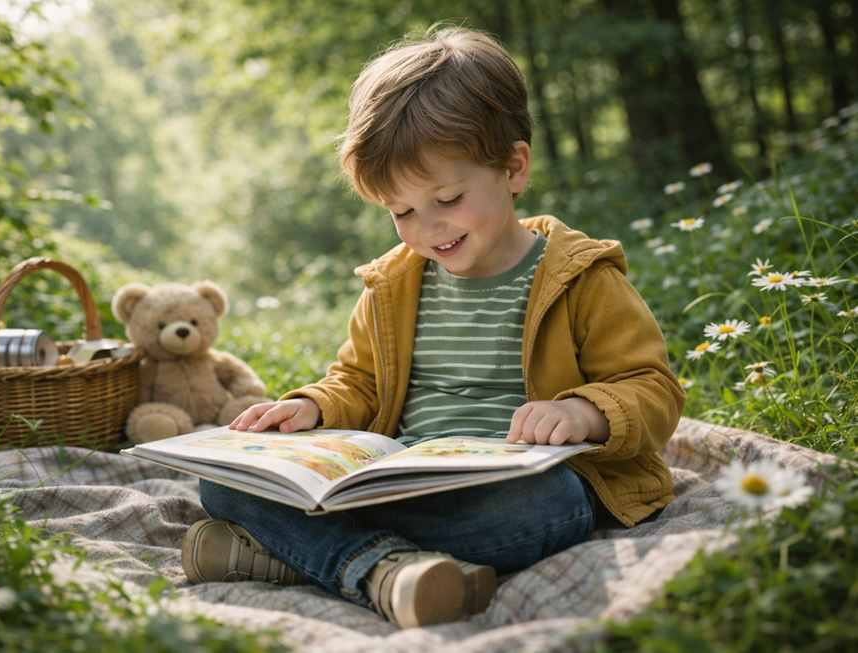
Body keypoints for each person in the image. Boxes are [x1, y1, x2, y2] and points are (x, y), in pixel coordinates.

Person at [179, 25, 686, 629]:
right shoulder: (394, 285)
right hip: (399, 481)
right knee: (224, 487)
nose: (428, 228)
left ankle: (317, 557)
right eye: (402, 212)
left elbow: (653, 389)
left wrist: (583, 412)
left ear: (514, 167)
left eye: (447, 198)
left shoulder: (579, 277)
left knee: (536, 509)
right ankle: (382, 570)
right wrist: (313, 407)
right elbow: (359, 382)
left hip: (512, 488)